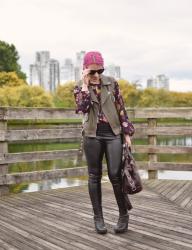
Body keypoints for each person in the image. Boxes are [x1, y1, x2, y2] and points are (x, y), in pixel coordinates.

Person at [74, 51, 135, 234]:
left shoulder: (112, 83)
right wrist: (85, 86)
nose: (96, 76)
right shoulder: (79, 87)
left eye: (99, 71)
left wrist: (127, 133)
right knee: (94, 176)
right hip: (92, 135)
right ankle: (98, 218)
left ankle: (123, 215)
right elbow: (82, 108)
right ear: (84, 70)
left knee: (116, 175)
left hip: (113, 133)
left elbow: (120, 107)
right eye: (91, 72)